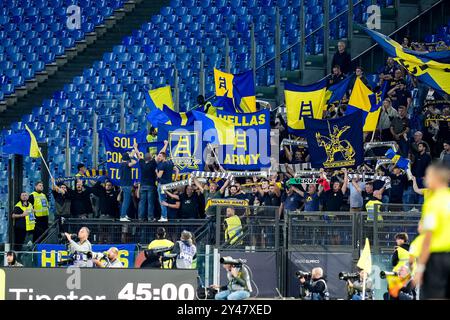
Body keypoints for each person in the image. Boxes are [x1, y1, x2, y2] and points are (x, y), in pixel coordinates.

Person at [414, 163, 450, 299]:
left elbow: (428, 237)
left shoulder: (433, 202)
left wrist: (420, 268)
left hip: (437, 260)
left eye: (428, 175)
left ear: (437, 178)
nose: (425, 179)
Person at [156, 141, 178, 222]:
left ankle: (164, 217)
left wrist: (156, 171)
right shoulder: (170, 163)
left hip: (162, 186)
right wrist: (175, 179)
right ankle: (165, 216)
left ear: (163, 157)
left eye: (160, 156)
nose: (158, 157)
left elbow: (159, 176)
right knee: (167, 200)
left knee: (162, 201)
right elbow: (177, 170)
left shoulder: (162, 164)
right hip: (169, 185)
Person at [119, 145, 139, 222]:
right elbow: (134, 162)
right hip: (127, 185)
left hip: (124, 185)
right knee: (126, 201)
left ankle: (124, 214)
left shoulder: (121, 165)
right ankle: (122, 216)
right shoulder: (126, 164)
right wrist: (131, 156)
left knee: (126, 201)